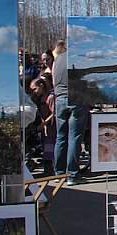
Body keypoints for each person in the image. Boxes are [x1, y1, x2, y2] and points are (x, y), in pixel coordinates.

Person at [52, 40, 87, 185]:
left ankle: (59, 174)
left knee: (61, 137)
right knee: (74, 137)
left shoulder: (57, 59)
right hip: (75, 99)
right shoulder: (75, 58)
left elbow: (54, 81)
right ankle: (72, 174)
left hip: (59, 99)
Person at [30, 75, 57, 174]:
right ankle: (48, 166)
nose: (34, 92)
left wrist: (45, 123)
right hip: (45, 126)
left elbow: (54, 113)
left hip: (51, 126)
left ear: (41, 86)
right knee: (46, 146)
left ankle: (51, 166)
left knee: (50, 146)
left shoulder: (50, 97)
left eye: (35, 89)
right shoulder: (39, 99)